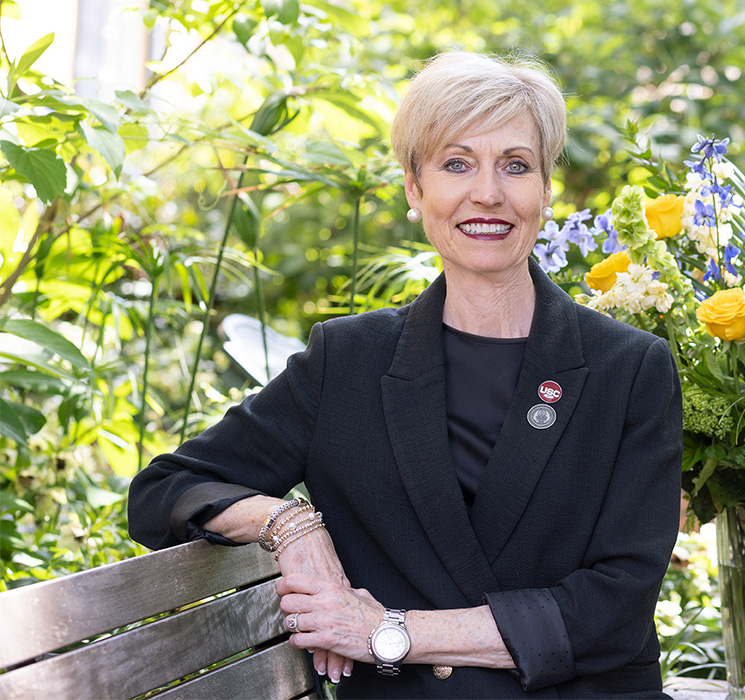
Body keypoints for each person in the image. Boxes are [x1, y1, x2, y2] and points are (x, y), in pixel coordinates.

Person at [128, 51, 682, 698]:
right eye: (456, 163)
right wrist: (291, 525)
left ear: (545, 191)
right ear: (414, 189)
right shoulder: (348, 362)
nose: (488, 192)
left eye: (516, 165)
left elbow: (614, 608)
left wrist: (391, 631)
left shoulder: (629, 368)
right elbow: (164, 490)